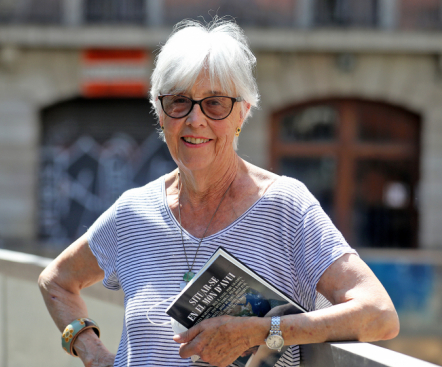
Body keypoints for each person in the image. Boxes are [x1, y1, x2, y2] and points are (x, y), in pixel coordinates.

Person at [38, 18, 399, 367]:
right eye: (178, 101)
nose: (195, 120)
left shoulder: (285, 207)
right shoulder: (134, 212)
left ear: (242, 114)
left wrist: (261, 331)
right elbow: (56, 281)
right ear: (160, 114)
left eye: (215, 103)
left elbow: (379, 315)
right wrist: (91, 352)